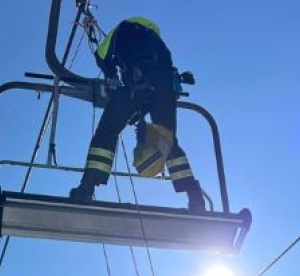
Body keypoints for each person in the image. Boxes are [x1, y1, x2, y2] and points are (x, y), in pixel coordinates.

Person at [69, 17, 206, 212]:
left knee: (108, 130)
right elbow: (158, 78)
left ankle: (87, 187)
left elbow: (101, 54)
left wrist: (111, 75)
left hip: (134, 86)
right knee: (167, 140)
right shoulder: (159, 43)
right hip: (164, 91)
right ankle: (194, 195)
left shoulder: (122, 28)